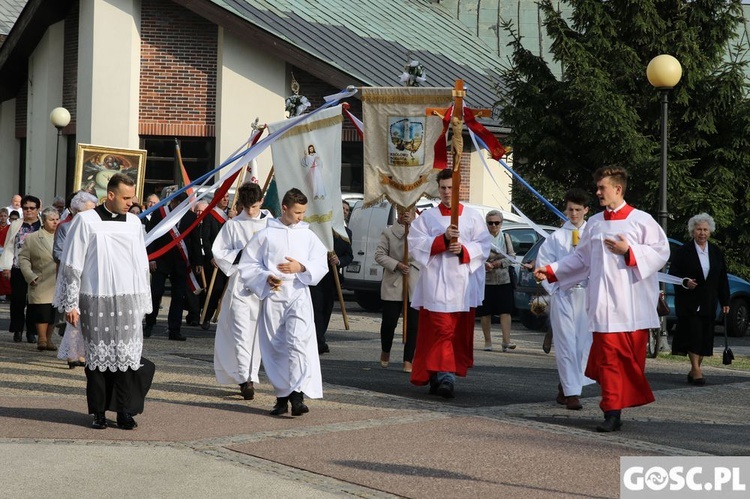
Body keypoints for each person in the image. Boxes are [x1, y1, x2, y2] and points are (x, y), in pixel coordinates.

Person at [534, 166, 669, 432]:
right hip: (604, 307)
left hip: (632, 307)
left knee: (629, 364)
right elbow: (581, 260)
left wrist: (628, 250)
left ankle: (616, 406)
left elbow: (660, 253)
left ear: (618, 189)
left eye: (602, 188)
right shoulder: (594, 223)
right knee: (608, 360)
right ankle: (611, 411)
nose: (597, 192)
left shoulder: (642, 221)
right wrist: (551, 270)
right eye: (597, 187)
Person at [53, 173, 155, 430]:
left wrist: (144, 301)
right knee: (96, 361)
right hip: (95, 299)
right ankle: (98, 412)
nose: (130, 203)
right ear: (110, 195)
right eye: (125, 197)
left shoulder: (133, 222)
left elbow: (141, 264)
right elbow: (72, 264)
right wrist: (70, 303)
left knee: (126, 361)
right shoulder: (86, 221)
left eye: (132, 198)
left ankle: (124, 411)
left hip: (128, 300)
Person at [238, 188, 328, 416]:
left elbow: (320, 261)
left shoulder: (307, 234)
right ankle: (281, 396)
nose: (301, 217)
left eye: (304, 212)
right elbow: (249, 264)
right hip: (274, 295)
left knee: (297, 342)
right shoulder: (266, 234)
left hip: (298, 292)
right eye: (298, 212)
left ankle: (297, 396)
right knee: (276, 345)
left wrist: (301, 267)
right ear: (285, 208)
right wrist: (266, 277)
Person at [407, 169, 491, 398]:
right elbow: (415, 244)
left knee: (452, 333)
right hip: (436, 284)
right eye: (443, 187)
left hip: (462, 285)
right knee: (440, 331)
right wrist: (442, 240)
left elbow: (483, 246)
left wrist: (463, 249)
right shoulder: (428, 217)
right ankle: (444, 377)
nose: (446, 192)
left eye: (450, 188)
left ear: (458, 189)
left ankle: (439, 374)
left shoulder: (472, 217)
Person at [536, 188, 595, 410]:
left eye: (578, 210)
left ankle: (568, 385)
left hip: (586, 296)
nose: (574, 214)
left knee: (583, 344)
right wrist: (554, 287)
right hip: (564, 295)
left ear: (586, 210)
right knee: (566, 343)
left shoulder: (594, 236)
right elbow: (544, 264)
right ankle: (572, 393)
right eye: (570, 209)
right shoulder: (556, 238)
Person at [212, 182, 271, 400]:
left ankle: (251, 374)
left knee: (256, 335)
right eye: (247, 207)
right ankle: (245, 379)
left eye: (254, 206)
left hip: (264, 285)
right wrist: (244, 253)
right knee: (240, 331)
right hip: (240, 284)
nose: (251, 212)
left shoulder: (272, 224)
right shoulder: (233, 225)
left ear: (261, 201)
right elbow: (219, 252)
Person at [669, 213, 730, 386]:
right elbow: (673, 274)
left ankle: (695, 368)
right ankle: (696, 370)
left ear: (710, 231)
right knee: (693, 333)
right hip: (689, 300)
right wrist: (685, 282)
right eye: (698, 229)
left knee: (704, 335)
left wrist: (725, 301)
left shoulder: (716, 252)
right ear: (692, 231)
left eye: (705, 229)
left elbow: (722, 278)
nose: (702, 233)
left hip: (709, 300)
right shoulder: (683, 251)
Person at [144, 191, 202, 341]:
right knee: (156, 294)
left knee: (178, 297)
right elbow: (150, 236)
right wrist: (150, 258)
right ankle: (149, 324)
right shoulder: (160, 213)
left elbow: (194, 240)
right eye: (179, 205)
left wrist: (198, 262)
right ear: (174, 202)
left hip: (181, 262)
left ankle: (174, 330)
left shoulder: (190, 216)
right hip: (161, 260)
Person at [54, 191, 97, 368]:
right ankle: (73, 354)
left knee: (89, 316)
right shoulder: (65, 227)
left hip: (91, 276)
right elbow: (57, 252)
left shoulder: (96, 226)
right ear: (74, 211)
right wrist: (73, 260)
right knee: (74, 315)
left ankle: (84, 352)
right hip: (72, 275)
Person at [374, 206, 419, 373]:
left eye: (408, 213)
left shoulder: (419, 231)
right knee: (389, 322)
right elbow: (379, 255)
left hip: (414, 281)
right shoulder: (388, 233)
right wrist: (397, 265)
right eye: (401, 213)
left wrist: (412, 230)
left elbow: (426, 251)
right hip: (394, 281)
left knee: (414, 324)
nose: (403, 216)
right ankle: (386, 350)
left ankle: (408, 359)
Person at [309, 218, 353, 354]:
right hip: (316, 278)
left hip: (332, 278)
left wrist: (339, 261)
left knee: (327, 309)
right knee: (316, 308)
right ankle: (318, 341)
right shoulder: (315, 230)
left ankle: (320, 337)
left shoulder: (346, 233)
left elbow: (349, 255)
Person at [1, 195, 42, 343]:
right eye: (25, 208)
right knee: (18, 300)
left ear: (38, 209)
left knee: (34, 301)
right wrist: (6, 267)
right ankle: (17, 330)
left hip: (37, 269)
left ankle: (31, 331)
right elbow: (9, 246)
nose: (28, 211)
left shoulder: (42, 225)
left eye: (32, 208)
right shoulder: (16, 224)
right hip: (18, 267)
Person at [19, 207, 60, 351]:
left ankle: (48, 339)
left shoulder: (63, 236)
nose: (55, 222)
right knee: (42, 311)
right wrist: (30, 275)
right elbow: (23, 258)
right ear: (44, 221)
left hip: (58, 280)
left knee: (54, 312)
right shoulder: (33, 237)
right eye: (51, 220)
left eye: (57, 219)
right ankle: (41, 338)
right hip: (40, 279)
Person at [476, 210, 517, 353]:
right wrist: (485, 264)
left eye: (496, 222)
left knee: (505, 311)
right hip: (486, 281)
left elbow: (512, 257)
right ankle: (488, 342)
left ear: (501, 223)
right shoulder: (482, 238)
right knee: (485, 312)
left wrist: (500, 263)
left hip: (504, 280)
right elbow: (476, 257)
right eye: (490, 223)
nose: (493, 225)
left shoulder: (506, 237)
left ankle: (506, 341)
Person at [200, 193, 230, 330]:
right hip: (215, 260)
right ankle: (206, 316)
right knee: (215, 290)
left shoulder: (232, 216)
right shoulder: (210, 215)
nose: (226, 199)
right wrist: (211, 256)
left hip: (229, 259)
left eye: (228, 197)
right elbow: (205, 238)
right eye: (223, 197)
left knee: (227, 290)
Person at [0, 208, 10, 298]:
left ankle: (7, 292)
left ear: (7, 217)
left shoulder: (9, 228)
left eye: (4, 216)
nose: (3, 218)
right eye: (1, 216)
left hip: (6, 251)